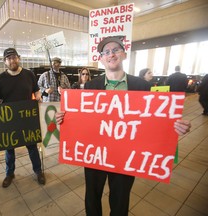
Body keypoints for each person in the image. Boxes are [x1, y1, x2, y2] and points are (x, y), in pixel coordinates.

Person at [55, 36, 192, 216]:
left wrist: (175, 126)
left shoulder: (142, 86)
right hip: (95, 153)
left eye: (115, 50)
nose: (111, 54)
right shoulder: (91, 85)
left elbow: (153, 120)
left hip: (126, 155)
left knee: (120, 199)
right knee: (92, 196)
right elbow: (82, 118)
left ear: (124, 54)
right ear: (101, 58)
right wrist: (64, 118)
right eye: (106, 52)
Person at [0, 48, 45, 187]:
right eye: (8, 58)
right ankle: (9, 174)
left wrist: (38, 97)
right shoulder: (1, 79)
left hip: (27, 119)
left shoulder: (29, 74)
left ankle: (38, 171)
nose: (12, 60)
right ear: (5, 61)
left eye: (14, 57)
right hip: (9, 121)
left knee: (32, 148)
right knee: (9, 150)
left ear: (18, 58)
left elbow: (36, 90)